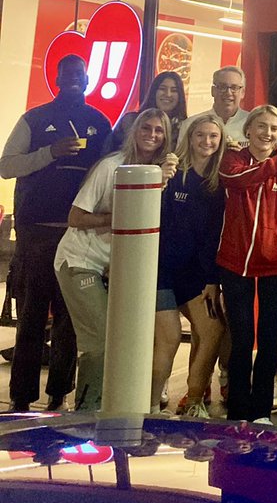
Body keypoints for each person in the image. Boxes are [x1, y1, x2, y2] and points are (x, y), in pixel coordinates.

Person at [0, 54, 111, 412]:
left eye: (80, 74)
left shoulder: (99, 122)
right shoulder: (35, 118)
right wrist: (50, 152)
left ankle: (58, 396)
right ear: (57, 78)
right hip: (36, 235)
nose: (74, 80)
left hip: (78, 238)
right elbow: (7, 166)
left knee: (69, 323)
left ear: (88, 79)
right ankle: (19, 399)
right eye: (68, 74)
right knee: (30, 317)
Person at [53, 109, 177, 410]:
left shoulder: (157, 175)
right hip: (79, 261)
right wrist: (121, 217)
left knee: (121, 341)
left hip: (114, 268)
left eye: (159, 131)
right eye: (146, 128)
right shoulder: (111, 167)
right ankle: (85, 411)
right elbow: (75, 217)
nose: (152, 135)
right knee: (99, 342)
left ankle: (107, 407)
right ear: (134, 130)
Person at [217, 105, 277, 423]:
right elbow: (240, 180)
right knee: (242, 338)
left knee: (271, 337)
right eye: (261, 126)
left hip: (276, 265)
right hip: (235, 264)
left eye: (273, 128)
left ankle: (260, 410)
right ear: (248, 130)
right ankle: (237, 409)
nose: (267, 133)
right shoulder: (234, 161)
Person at [151, 112, 227, 417]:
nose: (206, 142)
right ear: (189, 137)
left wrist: (212, 279)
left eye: (213, 136)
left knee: (212, 330)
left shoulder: (220, 181)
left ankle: (195, 401)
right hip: (161, 272)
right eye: (200, 135)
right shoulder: (172, 174)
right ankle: (150, 406)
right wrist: (160, 180)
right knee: (168, 340)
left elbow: (213, 236)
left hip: (196, 274)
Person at [107, 71, 187, 153]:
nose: (168, 94)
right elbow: (110, 151)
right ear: (154, 92)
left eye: (174, 90)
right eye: (162, 89)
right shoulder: (130, 121)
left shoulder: (184, 128)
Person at [206, 67, 251, 144]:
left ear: (243, 92)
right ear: (213, 91)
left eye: (234, 88)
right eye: (222, 87)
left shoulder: (253, 123)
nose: (228, 93)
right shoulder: (191, 124)